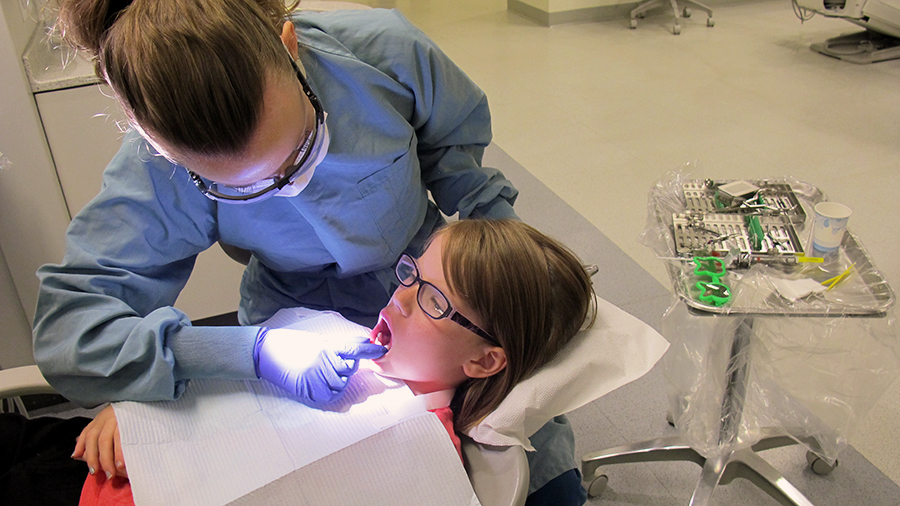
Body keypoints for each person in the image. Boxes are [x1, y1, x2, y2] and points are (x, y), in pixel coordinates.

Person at [29, 0, 575, 503]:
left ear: (289, 49)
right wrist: (249, 354)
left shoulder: (381, 54)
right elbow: (71, 335)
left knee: (538, 474)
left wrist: (515, 270)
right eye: (242, 188)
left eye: (301, 149)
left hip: (437, 284)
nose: (291, 187)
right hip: (289, 321)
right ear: (157, 146)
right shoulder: (155, 168)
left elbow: (458, 160)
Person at [73, 219, 598, 506]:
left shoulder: (428, 455)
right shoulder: (321, 333)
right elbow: (211, 382)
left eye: (436, 302)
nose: (401, 299)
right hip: (109, 460)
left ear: (486, 360)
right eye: (411, 274)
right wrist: (137, 412)